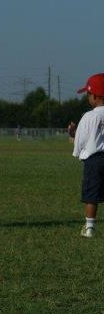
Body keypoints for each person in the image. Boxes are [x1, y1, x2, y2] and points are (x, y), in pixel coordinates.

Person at [69, 73, 104, 238]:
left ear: (95, 96)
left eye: (88, 94)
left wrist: (76, 149)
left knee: (92, 195)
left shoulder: (89, 116)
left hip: (94, 161)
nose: (88, 97)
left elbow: (81, 140)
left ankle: (89, 228)